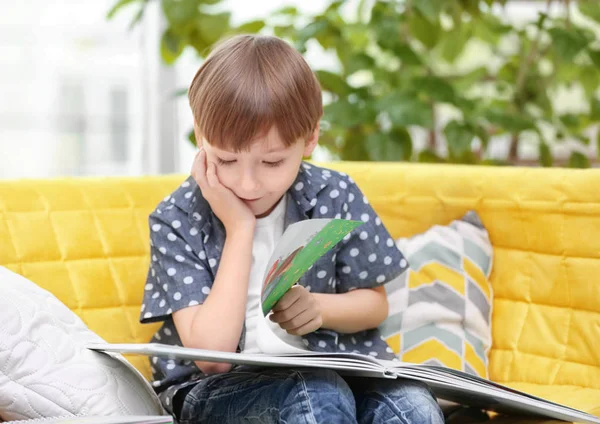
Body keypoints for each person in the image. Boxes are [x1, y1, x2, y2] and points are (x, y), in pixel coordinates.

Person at [139, 34, 444, 424]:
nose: (248, 184)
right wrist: (239, 227)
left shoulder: (334, 194)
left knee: (412, 407)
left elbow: (375, 304)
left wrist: (319, 308)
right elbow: (210, 355)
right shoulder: (176, 217)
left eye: (272, 163)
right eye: (227, 160)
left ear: (310, 138)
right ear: (201, 135)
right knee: (313, 394)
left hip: (338, 371)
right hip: (215, 388)